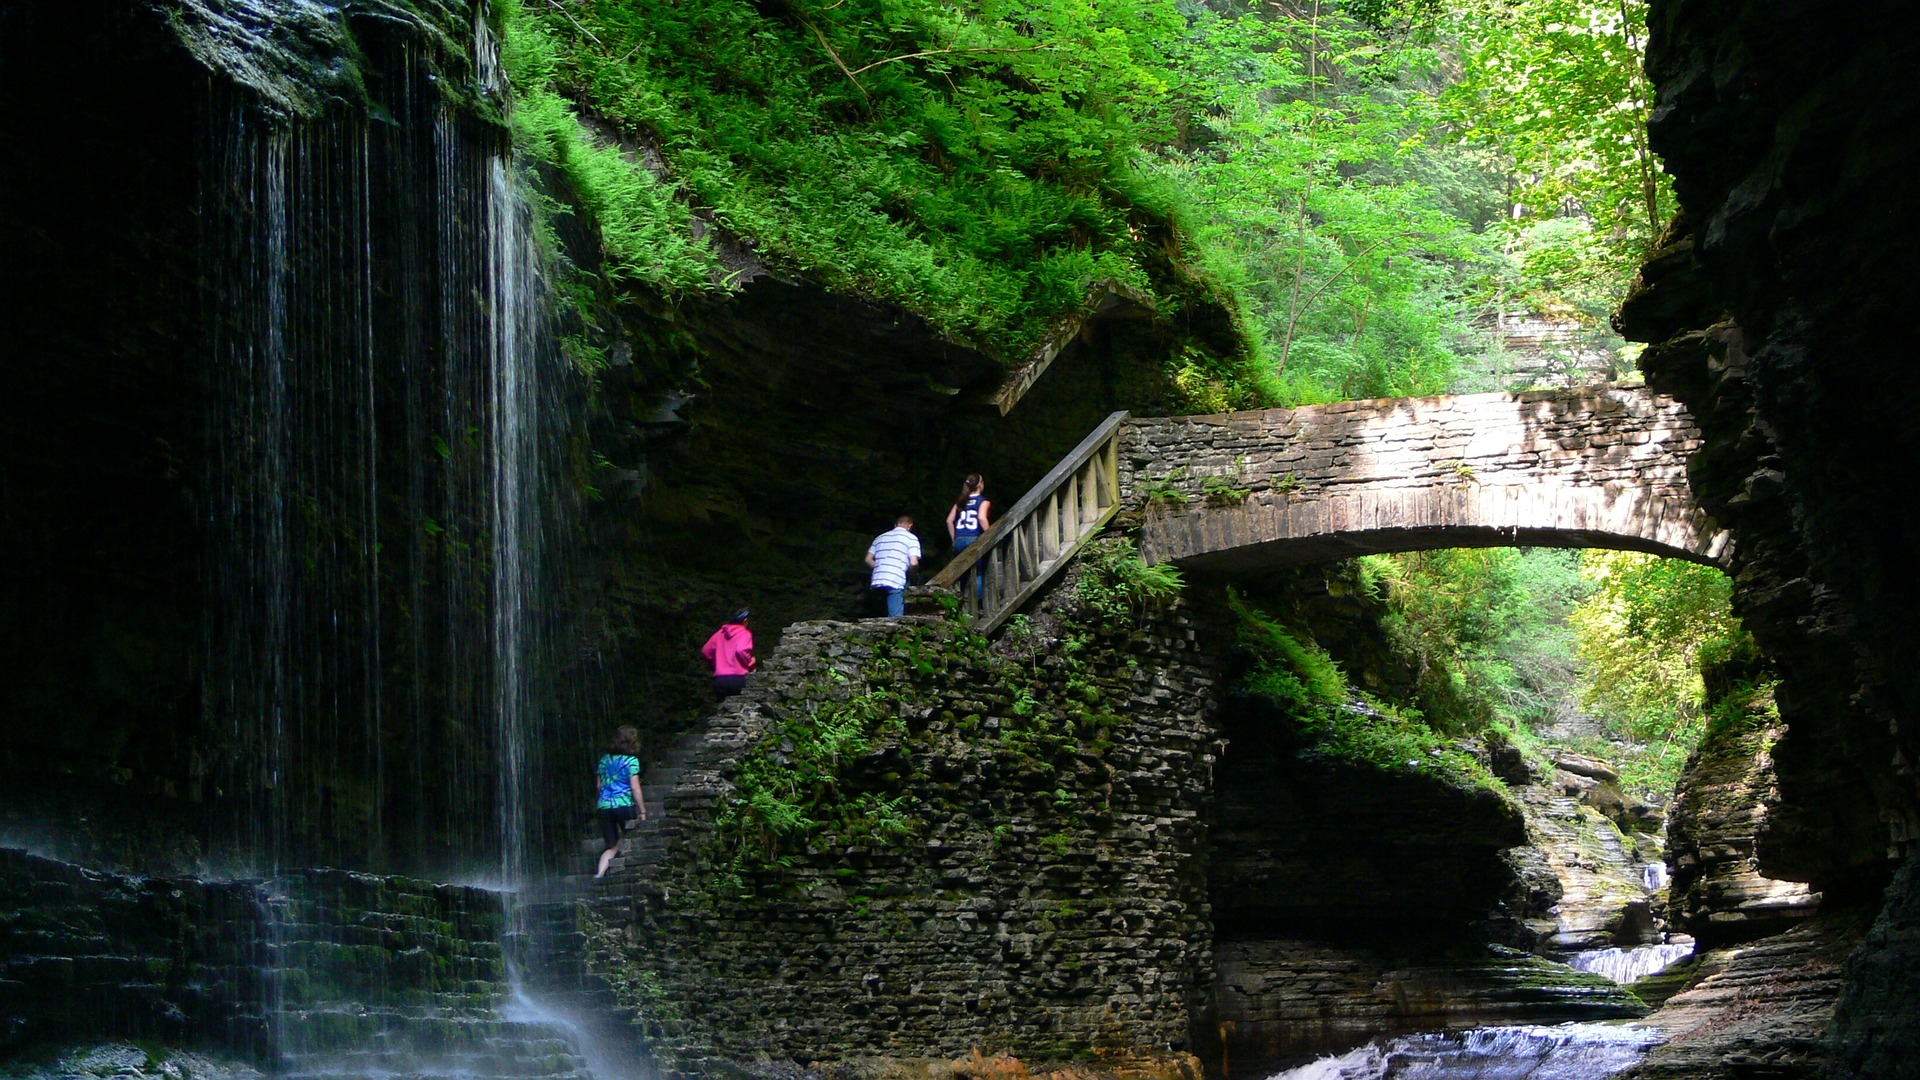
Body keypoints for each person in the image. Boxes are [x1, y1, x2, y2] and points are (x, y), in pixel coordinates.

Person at [594, 725, 646, 878]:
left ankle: (600, 873)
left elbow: (599, 786)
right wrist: (642, 810)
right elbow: (635, 788)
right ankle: (631, 872)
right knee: (632, 838)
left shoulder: (604, 760)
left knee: (612, 846)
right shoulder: (631, 761)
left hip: (604, 806)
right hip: (623, 805)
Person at [945, 474, 991, 604]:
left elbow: (949, 521)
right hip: (974, 538)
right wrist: (990, 534)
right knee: (979, 572)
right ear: (980, 484)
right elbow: (982, 518)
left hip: (960, 539)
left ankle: (963, 601)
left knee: (963, 571)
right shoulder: (983, 501)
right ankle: (979, 604)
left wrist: (954, 539)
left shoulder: (960, 501)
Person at [865, 515, 922, 617]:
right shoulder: (911, 538)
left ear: (895, 525)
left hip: (877, 579)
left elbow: (868, 559)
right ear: (910, 526)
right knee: (895, 616)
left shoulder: (880, 537)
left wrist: (880, 567)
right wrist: (913, 578)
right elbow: (914, 563)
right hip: (895, 579)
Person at [701, 608, 756, 700]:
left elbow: (706, 651)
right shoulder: (745, 633)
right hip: (739, 678)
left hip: (720, 679)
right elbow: (741, 650)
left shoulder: (720, 633)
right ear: (745, 620)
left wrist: (715, 663)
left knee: (723, 710)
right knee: (742, 709)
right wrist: (750, 662)